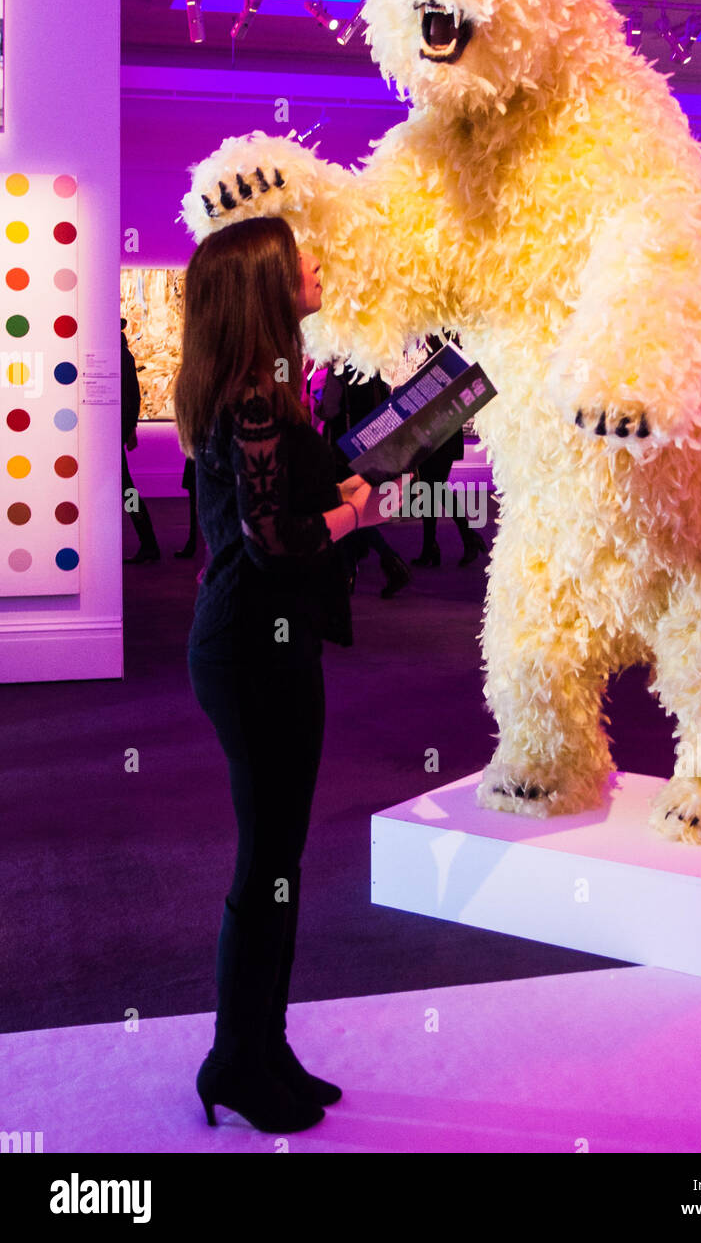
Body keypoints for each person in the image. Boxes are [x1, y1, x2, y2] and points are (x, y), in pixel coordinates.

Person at [174, 215, 402, 1134]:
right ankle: (237, 1058)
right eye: (300, 256)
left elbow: (269, 510)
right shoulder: (259, 396)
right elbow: (276, 544)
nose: (317, 263)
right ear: (267, 285)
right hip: (251, 649)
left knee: (278, 861)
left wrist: (338, 491)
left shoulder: (249, 388)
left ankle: (261, 1046)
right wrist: (358, 517)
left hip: (253, 645)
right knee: (268, 860)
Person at [315, 361, 411, 599]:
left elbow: (328, 409)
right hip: (370, 450)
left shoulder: (338, 372)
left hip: (343, 451)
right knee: (360, 509)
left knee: (347, 509)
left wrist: (317, 402)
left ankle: (355, 572)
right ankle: (384, 565)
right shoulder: (373, 370)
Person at [409, 334, 488, 567]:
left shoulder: (442, 365)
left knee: (436, 490)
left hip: (438, 438)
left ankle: (463, 539)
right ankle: (439, 545)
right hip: (439, 437)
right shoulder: (445, 363)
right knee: (433, 490)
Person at [121, 318, 160, 564]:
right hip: (116, 430)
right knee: (127, 489)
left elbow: (131, 395)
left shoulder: (121, 356)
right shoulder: (123, 354)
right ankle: (147, 540)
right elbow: (133, 395)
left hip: (113, 431)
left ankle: (148, 541)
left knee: (127, 490)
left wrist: (130, 427)